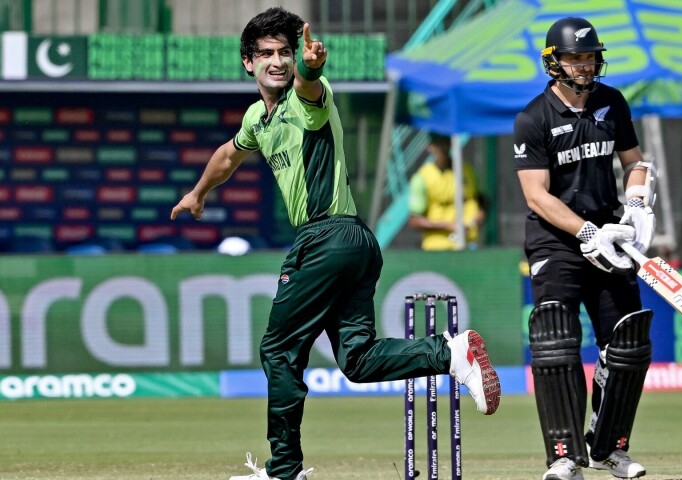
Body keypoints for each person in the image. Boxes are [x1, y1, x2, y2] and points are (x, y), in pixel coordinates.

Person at [170, 8, 501, 480]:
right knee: (358, 360)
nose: (278, 61)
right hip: (353, 242)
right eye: (267, 54)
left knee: (278, 350)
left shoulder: (310, 98)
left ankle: (284, 470)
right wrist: (199, 193)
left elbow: (308, 83)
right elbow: (228, 155)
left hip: (326, 235)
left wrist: (310, 65)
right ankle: (451, 353)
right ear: (248, 62)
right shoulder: (256, 119)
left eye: (285, 52)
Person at [513, 17, 656, 480]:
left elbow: (635, 164)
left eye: (590, 56)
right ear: (554, 63)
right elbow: (536, 195)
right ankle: (563, 455)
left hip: (611, 239)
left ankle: (610, 447)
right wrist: (586, 233)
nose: (585, 64)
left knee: (629, 342)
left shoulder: (612, 103)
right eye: (575, 57)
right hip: (557, 242)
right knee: (556, 340)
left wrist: (634, 210)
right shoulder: (533, 118)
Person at [408, 133, 486, 250]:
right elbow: (415, 220)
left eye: (445, 143)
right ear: (430, 147)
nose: (443, 148)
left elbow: (482, 200)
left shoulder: (466, 169)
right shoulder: (422, 177)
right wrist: (447, 225)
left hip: (469, 243)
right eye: (438, 144)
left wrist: (480, 215)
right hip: (438, 247)